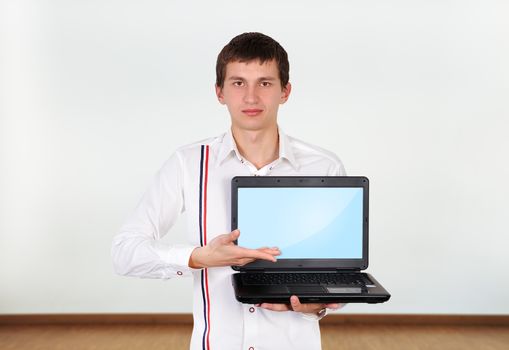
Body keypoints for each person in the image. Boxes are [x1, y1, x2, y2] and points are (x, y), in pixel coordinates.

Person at [112, 32, 346, 350]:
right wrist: (197, 258)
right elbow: (125, 253)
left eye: (265, 83)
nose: (251, 97)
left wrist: (314, 306)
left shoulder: (324, 166)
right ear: (219, 92)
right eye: (238, 83)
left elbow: (336, 274)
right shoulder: (188, 163)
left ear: (285, 91)